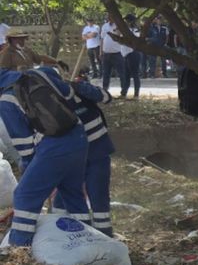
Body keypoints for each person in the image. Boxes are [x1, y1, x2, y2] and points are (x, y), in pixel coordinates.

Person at [0, 66, 91, 246]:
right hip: (79, 137)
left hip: (53, 146)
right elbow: (69, 94)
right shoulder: (40, 74)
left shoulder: (6, 100)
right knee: (72, 194)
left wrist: (30, 171)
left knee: (24, 195)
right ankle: (87, 238)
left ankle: (19, 248)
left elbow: (24, 145)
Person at [52, 75, 115, 236]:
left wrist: (82, 87)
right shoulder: (49, 103)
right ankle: (58, 232)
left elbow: (107, 97)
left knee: (98, 197)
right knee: (64, 197)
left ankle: (104, 236)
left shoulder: (81, 91)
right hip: (71, 159)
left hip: (97, 154)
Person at [0, 32, 64, 71]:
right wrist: (17, 71)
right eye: (19, 39)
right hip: (16, 82)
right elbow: (3, 71)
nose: (22, 41)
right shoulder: (6, 53)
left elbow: (40, 58)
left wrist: (57, 61)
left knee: (49, 71)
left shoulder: (27, 50)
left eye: (23, 39)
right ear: (11, 40)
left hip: (32, 77)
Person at [99, 14, 125, 95]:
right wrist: (101, 52)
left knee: (121, 73)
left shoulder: (119, 26)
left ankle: (124, 91)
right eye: (109, 17)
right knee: (106, 73)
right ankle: (105, 91)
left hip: (116, 53)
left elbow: (120, 35)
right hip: (106, 54)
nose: (110, 19)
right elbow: (102, 39)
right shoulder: (104, 26)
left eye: (111, 17)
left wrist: (117, 29)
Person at [119, 14, 141, 99]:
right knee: (126, 75)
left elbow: (134, 41)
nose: (126, 22)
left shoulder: (136, 30)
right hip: (125, 54)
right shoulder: (125, 30)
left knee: (135, 75)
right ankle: (124, 93)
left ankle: (136, 94)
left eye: (127, 20)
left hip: (133, 53)